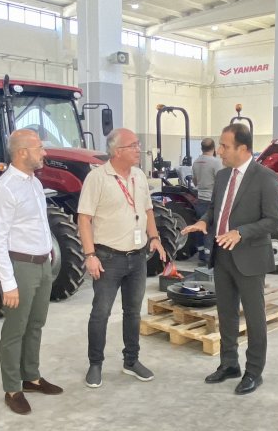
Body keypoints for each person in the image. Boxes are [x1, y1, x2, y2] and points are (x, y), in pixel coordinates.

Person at [181, 123, 278, 395]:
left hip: (249, 257)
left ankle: (254, 371)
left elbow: (273, 220)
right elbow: (215, 209)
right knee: (226, 313)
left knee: (254, 317)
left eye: (225, 146)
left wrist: (241, 232)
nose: (220, 151)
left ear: (243, 148)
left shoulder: (266, 177)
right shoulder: (223, 175)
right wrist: (204, 222)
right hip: (222, 254)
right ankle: (229, 364)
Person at [78, 128, 167, 388]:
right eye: (133, 145)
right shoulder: (97, 178)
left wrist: (154, 237)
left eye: (138, 144)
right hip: (108, 258)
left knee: (133, 312)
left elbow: (148, 210)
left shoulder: (139, 176)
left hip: (137, 258)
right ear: (118, 151)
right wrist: (89, 255)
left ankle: (131, 361)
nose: (139, 149)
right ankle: (95, 364)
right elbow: (84, 218)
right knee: (101, 313)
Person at [0, 129, 64, 415]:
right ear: (21, 152)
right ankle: (12, 388)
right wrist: (8, 283)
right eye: (39, 148)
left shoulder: (34, 182)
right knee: (15, 329)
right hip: (20, 266)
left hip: (42, 264)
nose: (44, 152)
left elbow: (39, 223)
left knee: (35, 324)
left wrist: (49, 251)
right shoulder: (4, 189)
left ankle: (31, 377)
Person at [191, 138, 224, 263]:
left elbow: (194, 181)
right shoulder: (216, 162)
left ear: (201, 148)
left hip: (200, 200)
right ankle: (209, 256)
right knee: (210, 229)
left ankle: (201, 253)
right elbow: (221, 181)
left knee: (200, 228)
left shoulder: (196, 162)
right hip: (212, 201)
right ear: (214, 148)